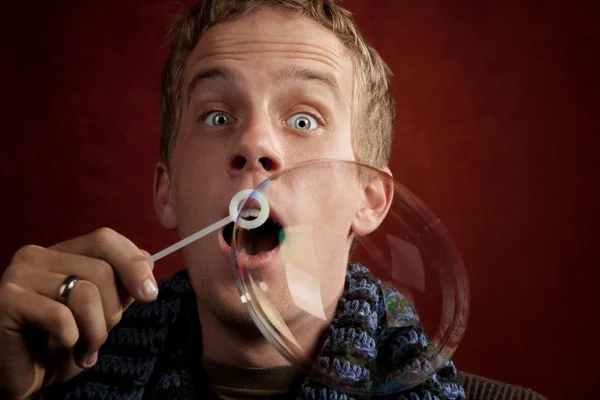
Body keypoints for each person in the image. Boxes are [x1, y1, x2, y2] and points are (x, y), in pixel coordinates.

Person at [0, 1, 546, 399]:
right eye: (218, 117)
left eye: (304, 119)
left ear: (370, 198)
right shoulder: (55, 381)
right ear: (167, 192)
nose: (254, 144)